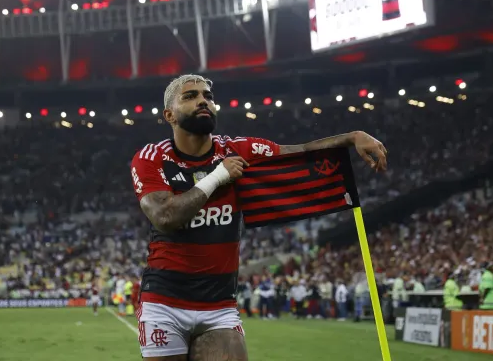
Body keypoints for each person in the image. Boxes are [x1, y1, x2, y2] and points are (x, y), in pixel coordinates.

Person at [130, 74, 388, 360]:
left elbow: (299, 154)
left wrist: (351, 137)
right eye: (190, 96)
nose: (203, 100)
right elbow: (165, 217)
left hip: (219, 306)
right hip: (164, 303)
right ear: (169, 115)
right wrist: (218, 176)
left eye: (207, 96)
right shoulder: (151, 157)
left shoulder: (240, 150)